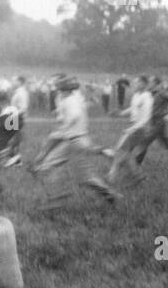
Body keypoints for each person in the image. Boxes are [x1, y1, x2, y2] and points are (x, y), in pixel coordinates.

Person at [30, 76, 116, 206]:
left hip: (72, 141)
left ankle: (57, 197)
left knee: (46, 167)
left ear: (63, 90)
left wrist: (65, 126)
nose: (58, 92)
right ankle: (108, 193)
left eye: (59, 89)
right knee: (85, 177)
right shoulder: (76, 99)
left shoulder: (68, 102)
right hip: (79, 139)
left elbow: (73, 118)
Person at [106, 76, 153, 190]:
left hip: (140, 128)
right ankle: (135, 175)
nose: (134, 85)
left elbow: (146, 118)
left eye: (137, 83)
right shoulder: (136, 95)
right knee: (123, 152)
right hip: (133, 126)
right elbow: (133, 108)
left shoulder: (147, 98)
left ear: (143, 84)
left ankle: (114, 178)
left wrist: (132, 129)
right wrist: (120, 113)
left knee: (120, 151)